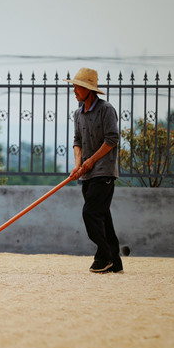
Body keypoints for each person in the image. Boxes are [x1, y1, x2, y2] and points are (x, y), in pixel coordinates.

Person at [65, 67, 125, 274]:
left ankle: (104, 256)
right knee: (103, 218)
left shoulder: (106, 110)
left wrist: (91, 161)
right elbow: (77, 141)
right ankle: (115, 263)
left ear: (88, 89)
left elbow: (112, 139)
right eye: (73, 86)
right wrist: (78, 164)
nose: (74, 90)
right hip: (87, 174)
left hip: (104, 172)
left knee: (90, 213)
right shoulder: (77, 114)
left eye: (77, 87)